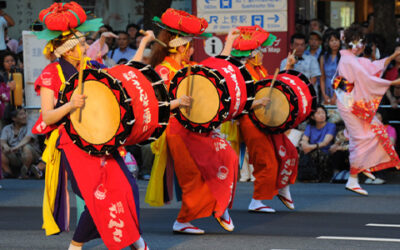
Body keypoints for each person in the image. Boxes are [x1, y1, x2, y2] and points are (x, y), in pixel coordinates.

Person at [33, 2, 153, 249]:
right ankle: (84, 245)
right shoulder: (51, 73)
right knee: (98, 198)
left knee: (127, 187)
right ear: (68, 50)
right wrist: (69, 105)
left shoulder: (92, 68)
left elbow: (125, 72)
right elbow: (47, 116)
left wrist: (142, 45)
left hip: (102, 139)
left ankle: (132, 239)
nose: (87, 46)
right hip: (73, 145)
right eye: (82, 44)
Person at [146, 9, 239, 235]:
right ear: (181, 47)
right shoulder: (163, 70)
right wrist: (177, 101)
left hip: (197, 128)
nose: (193, 50)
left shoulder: (187, 68)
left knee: (229, 156)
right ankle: (184, 220)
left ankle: (220, 204)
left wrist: (230, 43)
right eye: (190, 46)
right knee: (192, 178)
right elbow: (157, 104)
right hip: (177, 131)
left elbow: (216, 68)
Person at [231, 25, 299, 212]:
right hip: (250, 121)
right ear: (251, 55)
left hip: (267, 119)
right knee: (265, 161)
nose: (262, 54)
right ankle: (257, 200)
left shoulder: (260, 69)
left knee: (289, 151)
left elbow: (274, 87)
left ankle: (283, 188)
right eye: (259, 51)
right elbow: (238, 101)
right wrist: (256, 102)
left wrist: (288, 67)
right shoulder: (241, 73)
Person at [334, 23, 400, 196]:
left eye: (360, 43)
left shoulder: (352, 59)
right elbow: (367, 78)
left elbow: (371, 67)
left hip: (353, 101)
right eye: (356, 43)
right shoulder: (349, 61)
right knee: (361, 138)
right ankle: (353, 179)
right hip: (349, 102)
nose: (359, 47)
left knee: (376, 131)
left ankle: (364, 166)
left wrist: (392, 56)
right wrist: (392, 83)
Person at [1, 108, 41, 179]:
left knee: (26, 147)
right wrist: (5, 146)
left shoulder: (31, 123)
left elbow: (28, 138)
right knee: (2, 151)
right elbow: (2, 141)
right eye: (21, 114)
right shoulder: (7, 128)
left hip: (32, 154)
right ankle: (8, 173)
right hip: (15, 155)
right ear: (14, 118)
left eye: (25, 113)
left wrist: (16, 147)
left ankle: (25, 171)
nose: (25, 116)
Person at [300, 105, 336, 182]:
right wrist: (305, 145)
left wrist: (309, 147)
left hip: (324, 152)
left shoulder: (331, 126)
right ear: (312, 117)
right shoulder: (310, 126)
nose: (322, 115)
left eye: (323, 113)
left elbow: (325, 143)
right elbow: (304, 140)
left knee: (314, 153)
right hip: (311, 150)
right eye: (318, 113)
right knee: (302, 151)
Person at [280, 33, 321, 101]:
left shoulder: (312, 60)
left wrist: (301, 89)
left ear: (305, 46)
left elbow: (314, 79)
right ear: (291, 46)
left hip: (309, 96)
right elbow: (283, 79)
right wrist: (290, 65)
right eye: (297, 45)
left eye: (302, 45)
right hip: (291, 97)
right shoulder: (285, 62)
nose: (299, 47)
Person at [320, 31, 341, 105]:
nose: (334, 43)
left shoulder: (343, 57)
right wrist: (324, 94)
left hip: (340, 89)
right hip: (327, 87)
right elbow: (322, 78)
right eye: (332, 40)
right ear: (328, 42)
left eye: (336, 40)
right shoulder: (323, 57)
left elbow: (342, 77)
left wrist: (335, 96)